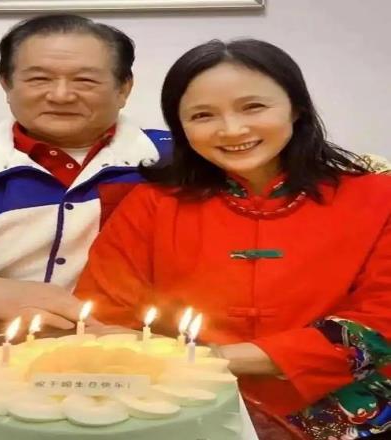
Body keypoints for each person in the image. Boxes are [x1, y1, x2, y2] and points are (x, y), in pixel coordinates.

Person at [74, 39, 391, 439]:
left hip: (347, 408)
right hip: (181, 404)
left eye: (253, 107)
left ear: (296, 107)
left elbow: (381, 321)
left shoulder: (379, 196)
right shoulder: (151, 204)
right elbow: (105, 316)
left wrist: (213, 358)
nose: (232, 130)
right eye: (202, 115)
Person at [0, 14, 171, 328]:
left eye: (85, 80)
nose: (61, 95)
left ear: (124, 88)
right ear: (6, 84)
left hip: (144, 343)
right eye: (39, 79)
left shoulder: (179, 160)